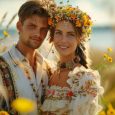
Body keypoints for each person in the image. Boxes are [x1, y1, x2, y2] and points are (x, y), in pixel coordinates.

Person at [41, 5, 104, 115]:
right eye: (58, 33)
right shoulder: (50, 74)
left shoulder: (85, 79)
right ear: (52, 37)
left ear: (79, 39)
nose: (63, 40)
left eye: (70, 34)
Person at [0, 0, 50, 114]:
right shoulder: (2, 66)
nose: (38, 34)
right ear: (19, 26)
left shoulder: (49, 68)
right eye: (32, 26)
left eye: (44, 29)